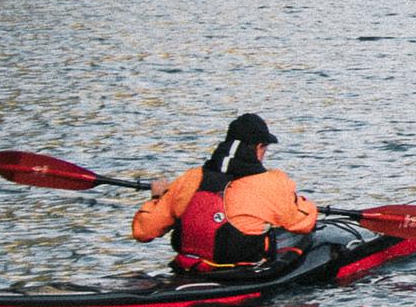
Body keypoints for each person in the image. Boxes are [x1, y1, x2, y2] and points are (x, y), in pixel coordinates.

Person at [127, 113, 321, 274]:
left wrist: (157, 198)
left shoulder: (189, 179)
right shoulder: (271, 182)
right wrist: (299, 202)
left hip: (190, 269)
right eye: (265, 148)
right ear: (259, 147)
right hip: (241, 275)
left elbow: (143, 232)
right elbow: (304, 223)